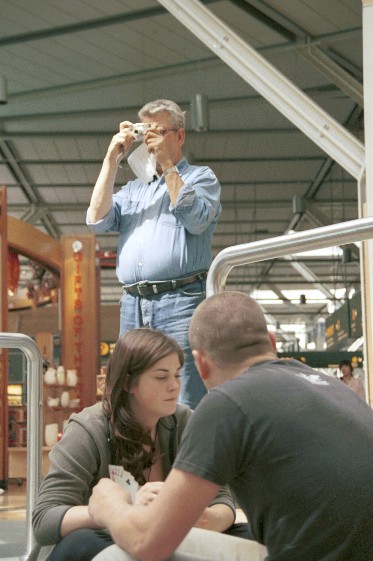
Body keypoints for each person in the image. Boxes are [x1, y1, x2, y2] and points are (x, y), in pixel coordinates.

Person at [88, 292, 373, 561]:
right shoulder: (336, 390)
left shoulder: (227, 403)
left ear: (201, 364)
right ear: (272, 343)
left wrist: (110, 505)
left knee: (117, 555)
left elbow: (146, 542)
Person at [32, 328, 238, 561]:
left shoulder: (185, 422)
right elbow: (44, 519)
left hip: (160, 539)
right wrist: (117, 510)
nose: (174, 386)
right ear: (129, 382)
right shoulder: (89, 428)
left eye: (177, 375)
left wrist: (210, 519)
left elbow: (221, 498)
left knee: (247, 536)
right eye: (161, 377)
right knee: (85, 541)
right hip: (98, 539)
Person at [87, 99, 221, 410]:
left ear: (180, 136)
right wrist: (111, 158)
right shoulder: (135, 189)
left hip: (181, 300)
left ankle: (184, 458)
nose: (153, 139)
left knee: (183, 394)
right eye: (149, 131)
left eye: (162, 131)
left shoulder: (201, 178)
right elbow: (95, 218)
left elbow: (197, 219)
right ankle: (143, 458)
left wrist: (170, 167)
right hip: (133, 304)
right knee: (130, 392)